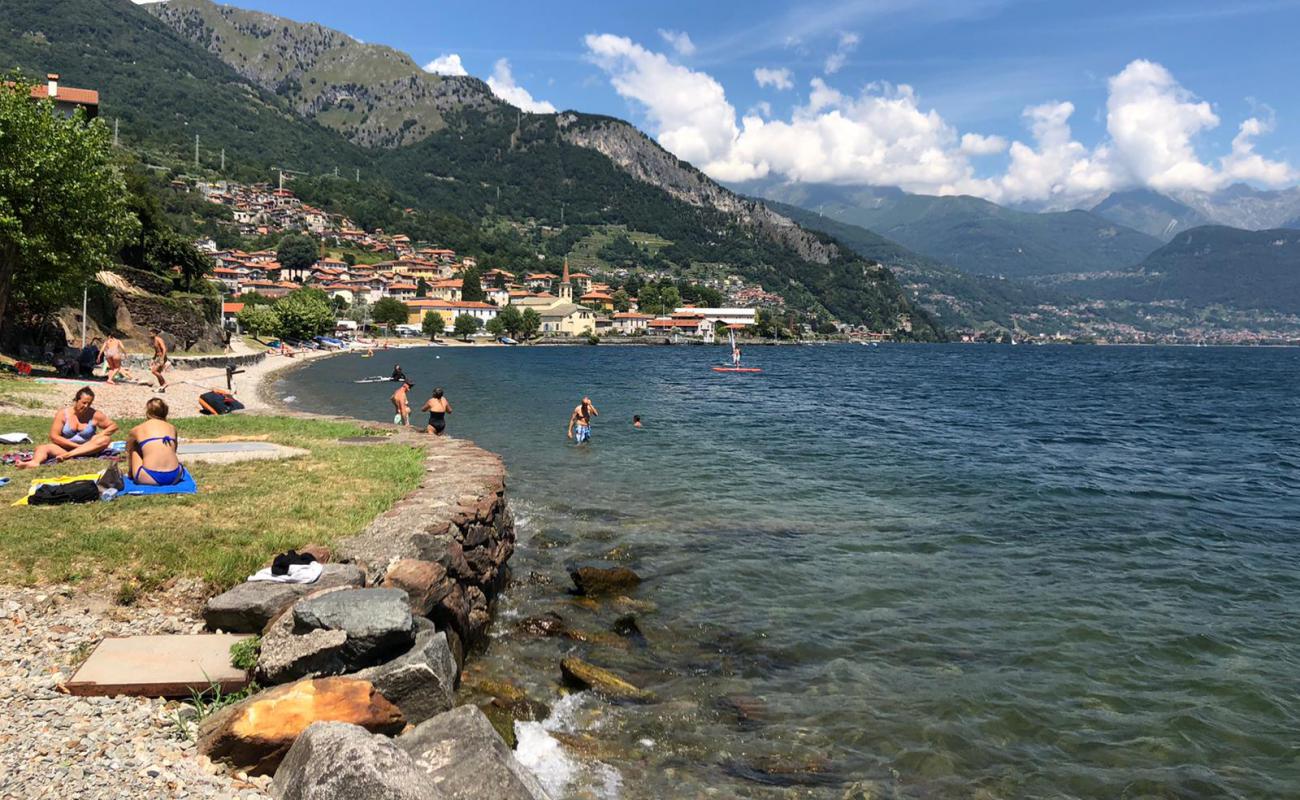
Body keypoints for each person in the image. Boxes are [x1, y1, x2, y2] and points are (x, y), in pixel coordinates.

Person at [16, 387, 118, 469]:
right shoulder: (63, 414)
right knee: (43, 447)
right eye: (84, 403)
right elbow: (54, 436)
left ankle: (69, 456)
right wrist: (77, 447)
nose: (86, 406)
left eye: (89, 403)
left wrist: (100, 435)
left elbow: (113, 426)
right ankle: (34, 463)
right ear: (76, 400)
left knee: (105, 439)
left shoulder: (94, 414)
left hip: (89, 450)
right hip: (65, 450)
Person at [126, 398, 184, 485]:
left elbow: (128, 448)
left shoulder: (138, 429)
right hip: (175, 476)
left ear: (148, 412)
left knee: (134, 445)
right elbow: (174, 450)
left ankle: (131, 473)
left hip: (148, 476)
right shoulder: (172, 428)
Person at [149, 329, 169, 393]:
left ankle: (165, 383)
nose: (150, 334)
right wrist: (153, 358)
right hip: (158, 357)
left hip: (161, 357)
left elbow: (164, 349)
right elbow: (157, 351)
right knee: (158, 372)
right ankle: (161, 388)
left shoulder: (159, 339)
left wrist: (162, 359)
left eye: (151, 333)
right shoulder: (154, 340)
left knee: (154, 371)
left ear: (155, 333)